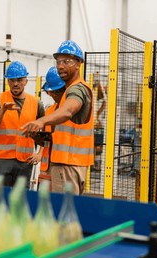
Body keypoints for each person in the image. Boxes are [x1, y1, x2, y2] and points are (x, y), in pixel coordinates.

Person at [22, 40, 94, 195]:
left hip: (67, 165)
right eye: (58, 61)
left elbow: (69, 110)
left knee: (62, 214)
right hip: (67, 164)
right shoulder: (67, 94)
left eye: (66, 61)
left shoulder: (77, 89)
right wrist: (39, 138)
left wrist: (41, 121)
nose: (61, 65)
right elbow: (62, 135)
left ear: (78, 63)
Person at [0, 61, 45, 187]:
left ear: (26, 81)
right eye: (12, 80)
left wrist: (40, 153)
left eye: (19, 80)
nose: (15, 84)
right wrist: (2, 110)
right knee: (0, 198)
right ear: (7, 81)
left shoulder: (36, 104)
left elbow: (47, 130)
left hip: (25, 161)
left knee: (20, 199)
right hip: (1, 160)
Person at [36, 67, 66, 190]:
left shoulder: (71, 111)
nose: (52, 95)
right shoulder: (49, 111)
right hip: (46, 168)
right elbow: (46, 141)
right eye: (50, 92)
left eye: (55, 92)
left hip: (64, 167)